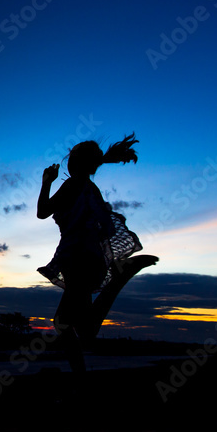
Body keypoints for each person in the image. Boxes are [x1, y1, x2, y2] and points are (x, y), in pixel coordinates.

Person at [37, 134, 158, 373]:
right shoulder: (92, 190)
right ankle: (81, 381)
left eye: (71, 158)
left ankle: (121, 277)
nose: (68, 162)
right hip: (90, 262)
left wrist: (46, 181)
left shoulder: (72, 185)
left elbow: (42, 212)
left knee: (70, 324)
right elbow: (108, 227)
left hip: (77, 260)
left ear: (76, 163)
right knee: (81, 328)